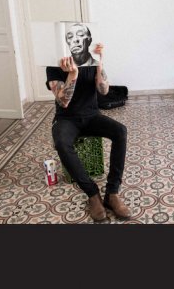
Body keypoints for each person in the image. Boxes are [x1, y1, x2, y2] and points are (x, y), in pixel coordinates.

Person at [46, 25, 131, 222]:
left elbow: (104, 91)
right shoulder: (53, 65)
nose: (76, 40)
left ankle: (112, 193)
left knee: (120, 131)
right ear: (65, 42)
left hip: (92, 115)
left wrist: (100, 63)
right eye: (70, 36)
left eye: (81, 36)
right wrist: (72, 74)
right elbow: (63, 101)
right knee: (61, 142)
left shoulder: (91, 61)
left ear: (88, 40)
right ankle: (92, 194)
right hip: (66, 118)